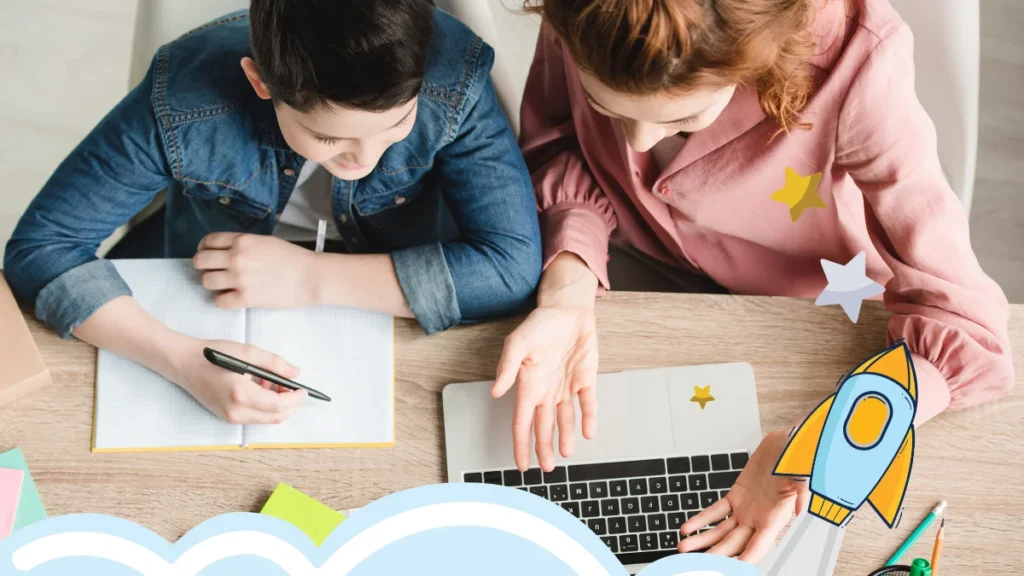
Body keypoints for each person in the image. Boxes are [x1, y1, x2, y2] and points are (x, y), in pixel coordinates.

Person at [493, 0, 1013, 562]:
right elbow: (559, 145)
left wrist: (818, 445)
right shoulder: (592, 14)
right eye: (605, 105)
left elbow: (972, 335)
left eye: (681, 119)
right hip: (635, 267)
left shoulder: (858, 62)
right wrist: (567, 288)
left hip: (811, 305)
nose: (638, 145)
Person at [4, 0, 541, 426]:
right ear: (261, 81)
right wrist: (185, 361)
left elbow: (510, 267)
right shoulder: (185, 96)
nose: (364, 160)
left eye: (398, 125)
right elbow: (40, 248)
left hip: (391, 286)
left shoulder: (454, 74)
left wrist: (310, 278)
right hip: (203, 283)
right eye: (328, 136)